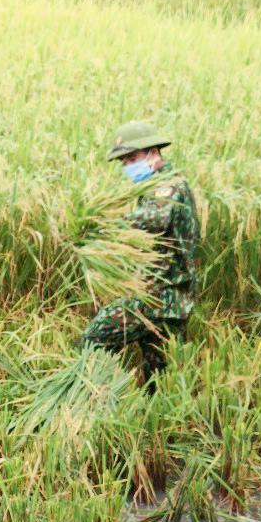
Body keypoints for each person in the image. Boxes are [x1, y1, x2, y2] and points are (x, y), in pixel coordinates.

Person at [81, 120, 200, 386]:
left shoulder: (169, 186)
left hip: (159, 298)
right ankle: (151, 419)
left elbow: (151, 220)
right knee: (159, 377)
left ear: (154, 153)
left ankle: (92, 396)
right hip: (170, 299)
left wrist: (100, 224)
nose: (127, 167)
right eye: (123, 162)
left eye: (132, 158)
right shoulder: (153, 187)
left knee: (95, 338)